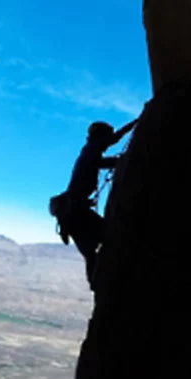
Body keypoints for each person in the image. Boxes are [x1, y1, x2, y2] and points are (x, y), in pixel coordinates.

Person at [56, 119, 137, 288]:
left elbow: (102, 162)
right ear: (100, 136)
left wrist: (120, 161)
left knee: (91, 252)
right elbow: (113, 140)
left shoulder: (88, 153)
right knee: (110, 236)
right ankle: (101, 285)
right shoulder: (91, 150)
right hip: (76, 211)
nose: (107, 143)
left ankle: (97, 285)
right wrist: (136, 123)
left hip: (71, 212)